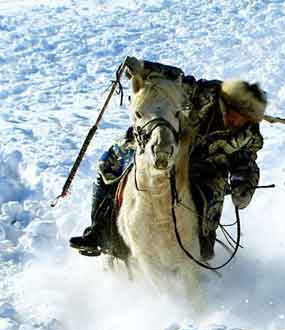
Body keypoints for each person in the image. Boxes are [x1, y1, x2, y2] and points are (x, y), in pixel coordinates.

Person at [69, 71, 266, 261]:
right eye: (238, 113)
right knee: (109, 164)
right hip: (170, 142)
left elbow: (246, 162)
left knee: (211, 197)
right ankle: (97, 231)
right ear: (228, 103)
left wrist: (243, 185)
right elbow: (172, 79)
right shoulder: (205, 94)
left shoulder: (249, 133)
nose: (239, 120)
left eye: (246, 118)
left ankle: (204, 246)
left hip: (209, 167)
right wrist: (142, 67)